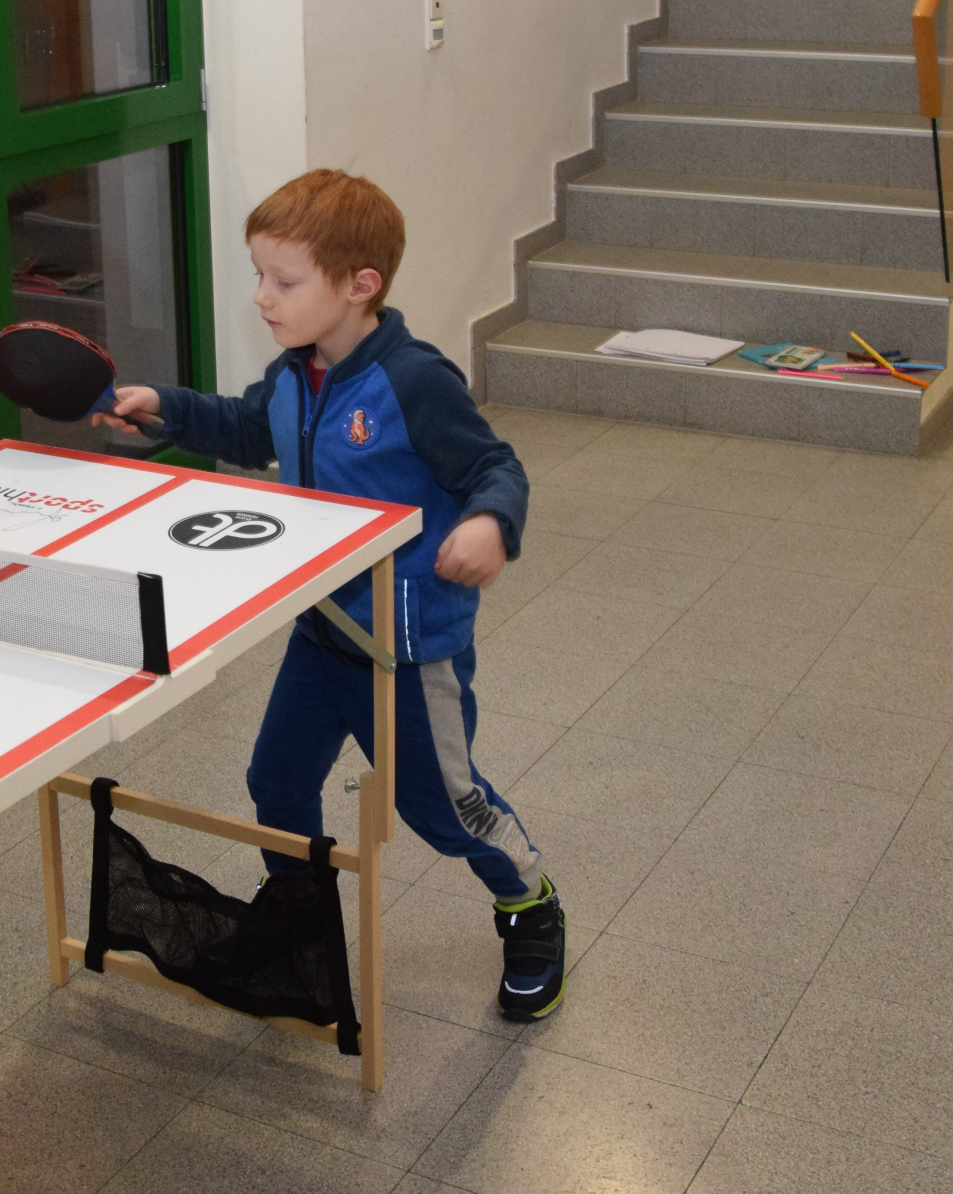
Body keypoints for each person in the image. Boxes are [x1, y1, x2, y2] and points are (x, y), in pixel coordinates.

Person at [94, 169, 564, 1021]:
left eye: (284, 281)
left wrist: (490, 523)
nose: (262, 297)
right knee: (276, 782)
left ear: (360, 285)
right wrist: (166, 407)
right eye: (259, 276)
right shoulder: (294, 375)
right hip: (322, 631)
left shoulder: (414, 381)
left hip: (407, 649)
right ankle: (297, 921)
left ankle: (528, 901)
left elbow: (496, 466)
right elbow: (249, 427)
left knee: (444, 810)